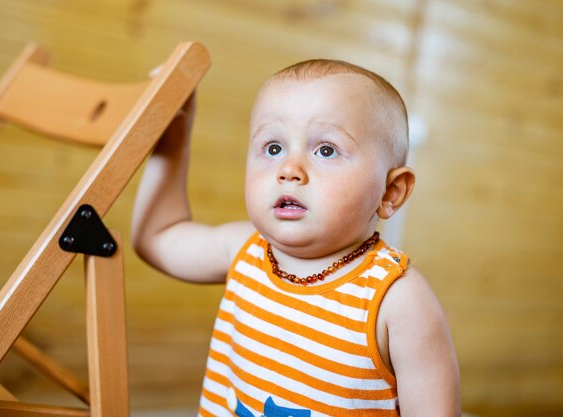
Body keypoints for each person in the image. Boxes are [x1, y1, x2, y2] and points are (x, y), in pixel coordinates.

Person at [132, 59, 460, 417]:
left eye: (326, 150)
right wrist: (173, 134)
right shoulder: (243, 249)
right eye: (273, 148)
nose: (289, 170)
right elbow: (157, 237)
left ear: (390, 191)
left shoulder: (397, 301)